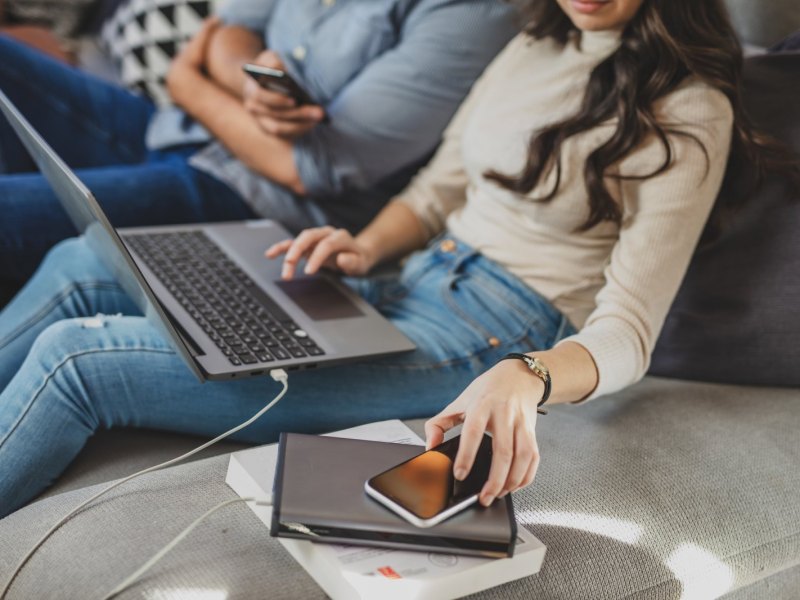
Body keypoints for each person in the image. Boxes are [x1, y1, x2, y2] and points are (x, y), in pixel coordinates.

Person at [0, 0, 786, 519]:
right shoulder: (536, 43)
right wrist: (362, 244)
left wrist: (531, 374)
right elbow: (442, 186)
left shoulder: (690, 108)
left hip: (482, 340)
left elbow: (631, 332)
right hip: (398, 282)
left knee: (80, 361)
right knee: (86, 264)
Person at [0, 0, 517, 290]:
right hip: (182, 131)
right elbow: (230, 29)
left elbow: (311, 167)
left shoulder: (474, 13)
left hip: (257, 196)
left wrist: (191, 85)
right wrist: (245, 83)